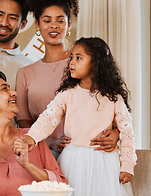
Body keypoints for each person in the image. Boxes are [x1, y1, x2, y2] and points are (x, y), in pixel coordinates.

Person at [15, 0, 119, 158]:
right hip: (44, 155)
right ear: (38, 25)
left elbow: (112, 102)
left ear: (68, 25)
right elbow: (24, 123)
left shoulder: (86, 63)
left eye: (60, 20)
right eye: (47, 20)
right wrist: (49, 142)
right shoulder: (25, 73)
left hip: (88, 154)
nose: (54, 25)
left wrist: (116, 133)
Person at [19, 37, 136, 196]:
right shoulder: (67, 94)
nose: (71, 62)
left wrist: (127, 165)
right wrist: (31, 137)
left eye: (78, 58)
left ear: (96, 63)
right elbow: (48, 118)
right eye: (72, 57)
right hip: (74, 162)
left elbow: (127, 132)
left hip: (105, 163)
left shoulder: (113, 98)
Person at [0, 71, 66, 196]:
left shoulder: (32, 138)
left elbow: (61, 186)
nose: (14, 92)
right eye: (4, 89)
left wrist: (28, 165)